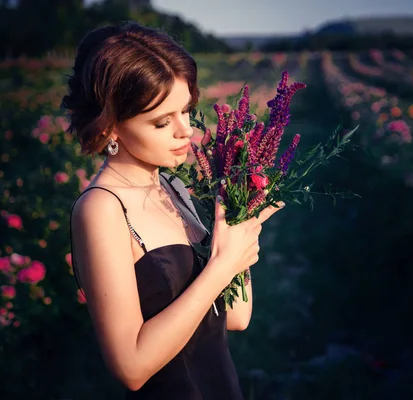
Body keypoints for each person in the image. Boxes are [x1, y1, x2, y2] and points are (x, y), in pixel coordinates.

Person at [61, 21, 284, 399]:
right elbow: (130, 367)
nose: (186, 131)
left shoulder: (173, 187)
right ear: (111, 126)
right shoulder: (102, 209)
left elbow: (237, 317)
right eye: (162, 121)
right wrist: (222, 266)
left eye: (186, 110)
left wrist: (240, 220)